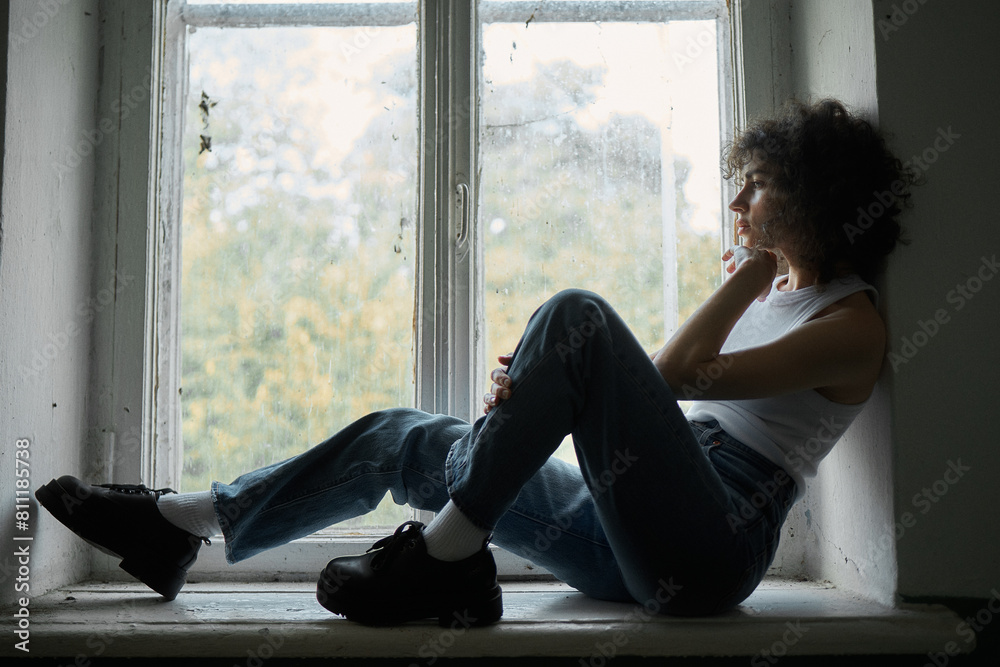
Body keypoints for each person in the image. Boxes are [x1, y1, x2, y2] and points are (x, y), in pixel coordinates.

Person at [36, 98, 911, 626]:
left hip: (713, 542)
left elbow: (675, 375)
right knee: (404, 437)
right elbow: (649, 391)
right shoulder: (771, 298)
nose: (735, 202)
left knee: (576, 314)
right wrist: (535, 394)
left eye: (754, 186)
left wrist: (755, 270)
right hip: (635, 529)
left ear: (810, 192)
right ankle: (182, 524)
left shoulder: (853, 322)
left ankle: (445, 556)